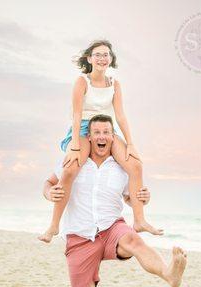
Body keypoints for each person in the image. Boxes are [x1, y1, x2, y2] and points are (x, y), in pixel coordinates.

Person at [42, 114, 187, 287]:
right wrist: (48, 192)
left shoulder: (121, 167)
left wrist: (142, 197)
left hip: (111, 229)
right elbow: (50, 183)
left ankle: (169, 273)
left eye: (106, 133)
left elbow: (132, 198)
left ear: (112, 136)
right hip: (78, 237)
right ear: (89, 136)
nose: (101, 137)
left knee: (132, 238)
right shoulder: (74, 161)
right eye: (96, 132)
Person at [38, 39, 162, 243]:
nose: (102, 58)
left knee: (136, 166)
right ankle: (53, 226)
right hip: (84, 128)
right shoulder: (82, 81)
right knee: (70, 169)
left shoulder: (114, 84)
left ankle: (139, 220)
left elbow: (120, 115)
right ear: (90, 58)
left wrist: (130, 143)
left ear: (110, 59)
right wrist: (76, 143)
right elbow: (77, 114)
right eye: (98, 54)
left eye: (106, 55)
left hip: (106, 129)